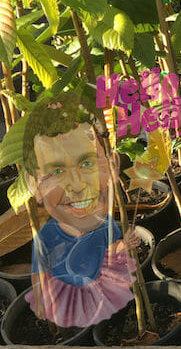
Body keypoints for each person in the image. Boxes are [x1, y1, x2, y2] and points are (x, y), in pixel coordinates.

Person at [21, 92, 136, 328]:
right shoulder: (47, 235)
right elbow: (40, 271)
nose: (76, 185)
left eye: (87, 164)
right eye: (57, 172)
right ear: (34, 184)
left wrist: (125, 245)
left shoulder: (103, 224)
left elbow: (113, 251)